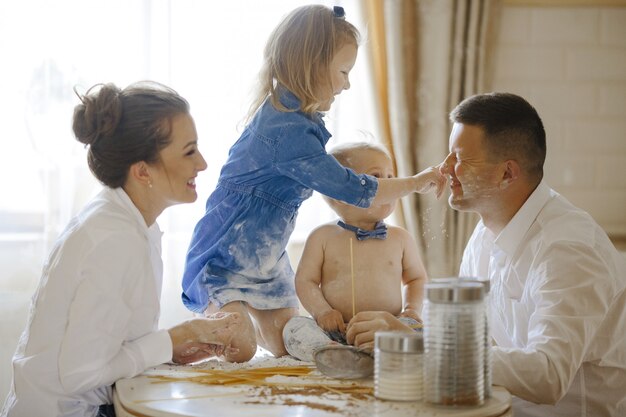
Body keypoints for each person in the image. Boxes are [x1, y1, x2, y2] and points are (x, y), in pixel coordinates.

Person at [181, 4, 445, 363]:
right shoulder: (285, 130)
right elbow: (356, 189)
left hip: (265, 261)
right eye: (342, 71)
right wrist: (417, 181)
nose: (347, 83)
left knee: (286, 344)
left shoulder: (300, 120)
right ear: (313, 66)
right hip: (228, 255)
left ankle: (237, 318)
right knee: (240, 347)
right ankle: (176, 343)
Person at [347, 92, 626, 417]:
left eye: (460, 158)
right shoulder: (484, 234)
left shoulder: (570, 248)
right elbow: (473, 341)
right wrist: (405, 329)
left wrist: (416, 344)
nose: (444, 169)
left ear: (507, 173)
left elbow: (549, 375)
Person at [1, 82, 241, 417]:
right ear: (143, 171)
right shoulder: (114, 239)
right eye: (189, 151)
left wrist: (170, 349)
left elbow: (105, 349)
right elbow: (80, 374)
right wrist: (171, 340)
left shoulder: (127, 222)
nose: (201, 164)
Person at [282, 142, 426, 361]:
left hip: (386, 327)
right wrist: (322, 312)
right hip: (335, 330)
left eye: (391, 177)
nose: (391, 186)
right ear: (341, 192)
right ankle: (329, 351)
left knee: (421, 332)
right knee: (294, 328)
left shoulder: (401, 238)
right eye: (377, 178)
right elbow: (306, 281)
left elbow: (416, 278)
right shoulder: (322, 237)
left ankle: (377, 350)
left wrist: (412, 309)